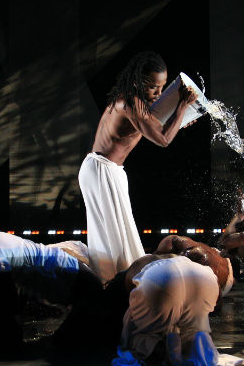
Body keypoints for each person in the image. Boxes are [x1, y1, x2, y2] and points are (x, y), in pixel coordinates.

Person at [79, 51, 198, 282]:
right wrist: (182, 105)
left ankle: (116, 286)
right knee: (113, 240)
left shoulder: (138, 103)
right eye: (153, 87)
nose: (158, 93)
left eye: (162, 87)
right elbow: (163, 139)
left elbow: (158, 127)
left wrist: (181, 119)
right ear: (137, 82)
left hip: (108, 170)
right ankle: (112, 289)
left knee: (120, 237)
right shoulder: (130, 102)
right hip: (101, 169)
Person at [105, 248, 244, 366]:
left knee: (138, 323)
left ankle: (166, 350)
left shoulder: (132, 271)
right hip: (204, 277)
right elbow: (218, 304)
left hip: (161, 278)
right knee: (192, 329)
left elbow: (140, 306)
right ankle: (191, 345)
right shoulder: (173, 257)